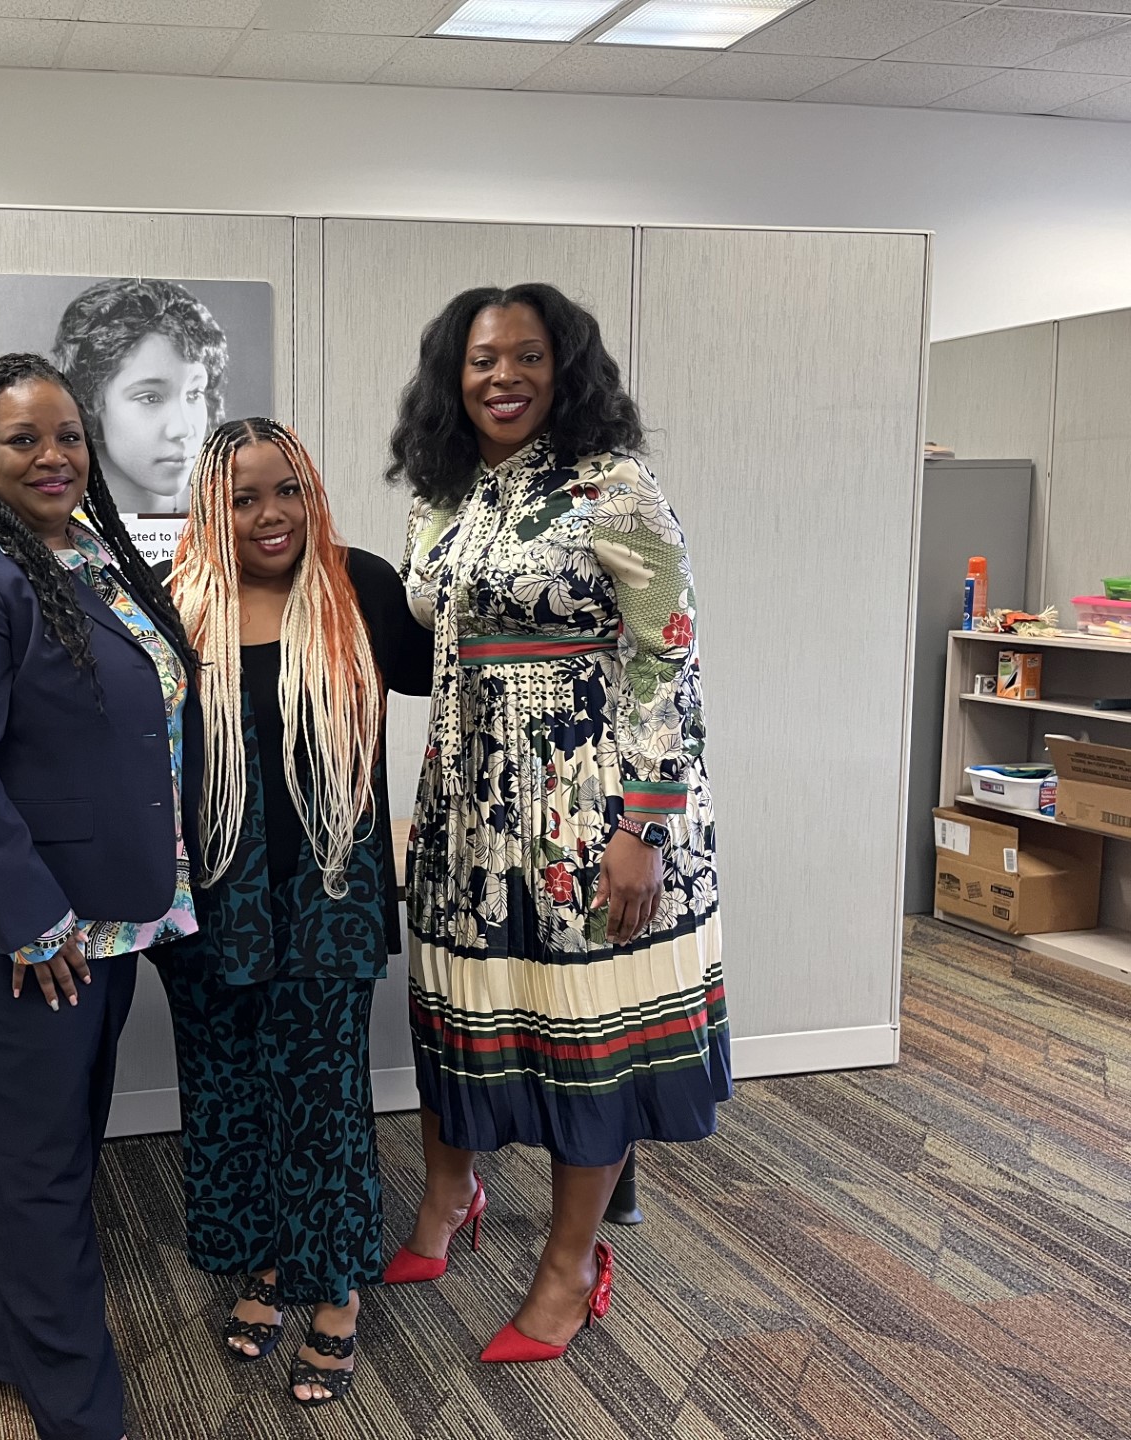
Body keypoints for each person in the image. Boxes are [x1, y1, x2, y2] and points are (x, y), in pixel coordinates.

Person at [384, 284, 731, 1363]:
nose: (503, 378)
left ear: (563, 369)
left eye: (527, 357)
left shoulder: (613, 487)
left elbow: (665, 655)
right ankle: (451, 1200)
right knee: (458, 1007)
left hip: (589, 806)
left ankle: (572, 1265)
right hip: (470, 807)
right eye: (483, 360)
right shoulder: (442, 495)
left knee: (591, 1036)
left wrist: (646, 824)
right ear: (454, 375)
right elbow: (429, 642)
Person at [0, 352, 199, 1440]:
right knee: (36, 1172)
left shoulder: (87, 551)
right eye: (24, 440)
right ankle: (78, 1404)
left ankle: (12, 1343)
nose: (53, 456)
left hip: (97, 918)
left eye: (67, 436)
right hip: (8, 929)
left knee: (49, 1149)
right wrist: (32, 917)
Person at [153, 418, 430, 1408]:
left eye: (287, 492)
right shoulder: (174, 609)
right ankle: (266, 1261)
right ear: (209, 511)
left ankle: (334, 1289)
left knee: (320, 1103)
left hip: (329, 890)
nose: (269, 516)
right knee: (226, 1090)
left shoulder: (363, 589)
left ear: (310, 494)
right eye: (243, 497)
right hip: (213, 889)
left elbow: (463, 670)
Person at [52, 277, 227, 514]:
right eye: (150, 398)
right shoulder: (52, 527)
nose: (183, 429)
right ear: (91, 401)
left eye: (194, 393)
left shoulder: (225, 519)